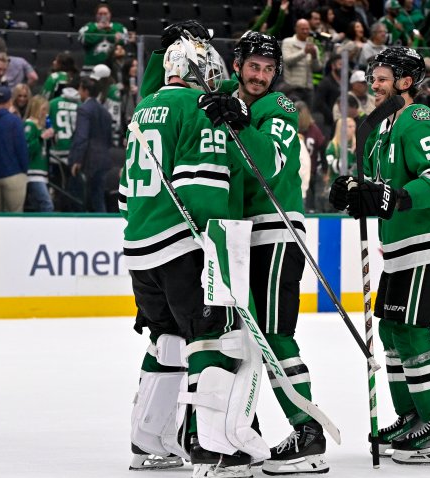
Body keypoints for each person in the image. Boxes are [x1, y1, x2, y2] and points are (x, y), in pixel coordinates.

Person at [329, 46, 430, 465]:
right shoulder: (378, 128)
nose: (372, 84)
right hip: (399, 241)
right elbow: (379, 188)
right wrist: (353, 191)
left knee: (411, 331)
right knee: (391, 331)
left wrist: (389, 195)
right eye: (372, 78)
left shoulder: (420, 118)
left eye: (381, 78)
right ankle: (413, 416)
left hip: (427, 237)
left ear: (406, 82)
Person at [121, 23, 255, 475]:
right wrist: (219, 234)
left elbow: (124, 195)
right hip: (181, 244)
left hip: (140, 246)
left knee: (167, 340)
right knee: (209, 338)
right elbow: (199, 189)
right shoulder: (199, 108)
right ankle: (210, 446)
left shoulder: (143, 109)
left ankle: (150, 440)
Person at [197, 30, 328, 476]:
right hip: (237, 236)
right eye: (254, 66)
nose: (261, 76)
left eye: (269, 69)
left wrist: (239, 122)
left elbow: (269, 164)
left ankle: (307, 430)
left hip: (275, 231)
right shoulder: (223, 100)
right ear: (237, 65)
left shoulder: (279, 107)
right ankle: (235, 429)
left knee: (274, 334)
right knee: (242, 338)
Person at [69, 77, 113, 212]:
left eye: (80, 89)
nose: (78, 92)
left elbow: (82, 136)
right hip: (104, 158)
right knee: (98, 198)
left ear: (86, 91)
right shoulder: (105, 112)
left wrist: (77, 160)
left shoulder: (84, 109)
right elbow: (109, 138)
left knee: (86, 199)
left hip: (89, 160)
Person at [0, 87, 28, 212]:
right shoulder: (14, 121)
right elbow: (21, 148)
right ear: (9, 101)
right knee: (15, 215)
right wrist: (24, 170)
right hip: (13, 174)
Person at [23, 96, 55, 212]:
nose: (45, 113)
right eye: (43, 109)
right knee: (47, 205)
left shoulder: (41, 126)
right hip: (33, 173)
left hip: (42, 172)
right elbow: (27, 148)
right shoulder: (29, 125)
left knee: (38, 207)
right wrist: (41, 138)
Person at [281, 18, 323, 106]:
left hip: (308, 88)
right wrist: (304, 52)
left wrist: (314, 56)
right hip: (292, 87)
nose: (305, 31)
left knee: (307, 117)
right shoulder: (288, 42)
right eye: (302, 29)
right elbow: (287, 60)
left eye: (307, 29)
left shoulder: (313, 46)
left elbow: (317, 68)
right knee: (292, 114)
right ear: (296, 29)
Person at [78, 3, 131, 69]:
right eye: (100, 14)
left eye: (105, 14)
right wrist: (97, 29)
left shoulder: (119, 27)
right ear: (96, 15)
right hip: (91, 66)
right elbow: (82, 39)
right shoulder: (89, 27)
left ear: (110, 14)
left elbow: (126, 40)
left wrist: (110, 30)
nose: (103, 16)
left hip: (113, 67)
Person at [324, 117, 356, 207]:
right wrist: (350, 153)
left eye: (354, 126)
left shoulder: (358, 145)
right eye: (349, 126)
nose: (353, 129)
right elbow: (335, 167)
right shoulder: (332, 146)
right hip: (336, 189)